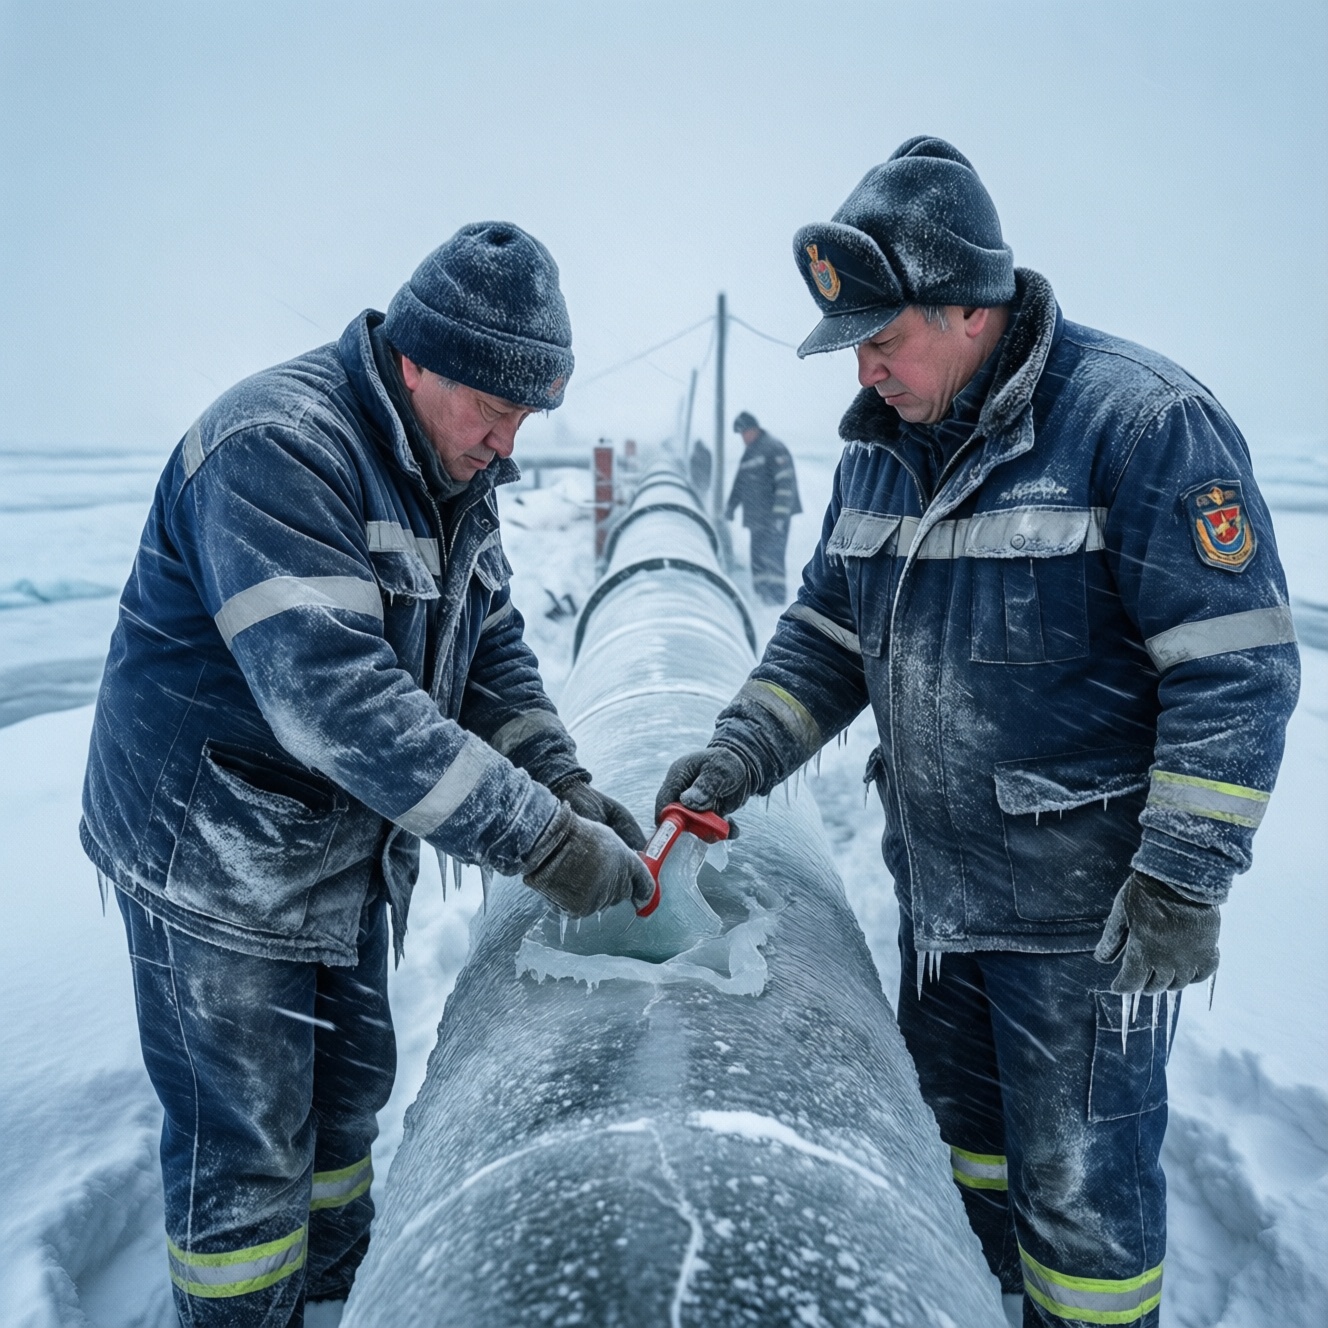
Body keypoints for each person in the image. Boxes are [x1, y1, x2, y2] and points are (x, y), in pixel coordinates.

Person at [657, 138, 1299, 1326]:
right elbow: (825, 636)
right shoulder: (878, 457)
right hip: (942, 905)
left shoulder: (1139, 425)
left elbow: (1237, 668)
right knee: (968, 1159)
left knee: (1082, 1209)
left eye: (883, 339)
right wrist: (739, 746)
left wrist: (1181, 876)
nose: (866, 368)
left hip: (1087, 927)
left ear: (969, 309)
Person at [81, 222, 654, 1326]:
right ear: (416, 359)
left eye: (525, 416)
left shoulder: (449, 466)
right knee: (245, 1144)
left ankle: (343, 1291)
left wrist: (563, 780)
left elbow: (487, 645)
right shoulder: (275, 450)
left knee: (344, 1104)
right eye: (492, 409)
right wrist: (539, 839)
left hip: (342, 842)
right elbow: (336, 700)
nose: (505, 440)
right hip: (218, 856)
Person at [724, 410, 802, 604]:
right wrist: (730, 507)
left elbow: (785, 484)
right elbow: (739, 484)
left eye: (745, 433)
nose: (743, 438)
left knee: (773, 557)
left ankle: (776, 599)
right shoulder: (749, 454)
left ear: (755, 429)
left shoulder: (773, 448)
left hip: (774, 517)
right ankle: (761, 596)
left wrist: (779, 516)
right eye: (741, 434)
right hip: (756, 518)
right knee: (758, 558)